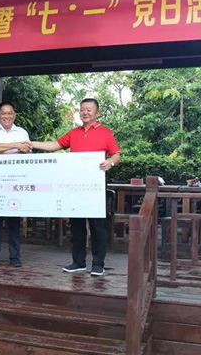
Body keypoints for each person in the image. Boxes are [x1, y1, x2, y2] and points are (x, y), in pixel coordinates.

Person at [29, 98, 121, 277]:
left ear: (97, 113)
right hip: (75, 186)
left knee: (97, 226)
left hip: (95, 185)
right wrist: (33, 144)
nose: (85, 112)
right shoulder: (73, 133)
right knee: (77, 225)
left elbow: (117, 154)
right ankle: (78, 262)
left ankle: (98, 264)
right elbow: (55, 145)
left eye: (89, 109)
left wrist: (110, 162)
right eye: (82, 109)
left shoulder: (105, 133)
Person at [0, 102, 31, 268]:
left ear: (14, 115)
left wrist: (4, 150)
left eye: (10, 113)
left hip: (17, 180)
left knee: (14, 219)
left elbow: (26, 151)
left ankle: (15, 257)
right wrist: (16, 145)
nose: (7, 116)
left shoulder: (22, 132)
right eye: (3, 113)